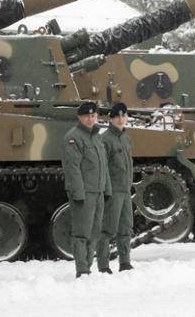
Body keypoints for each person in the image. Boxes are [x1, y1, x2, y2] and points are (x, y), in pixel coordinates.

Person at [62, 101, 111, 278]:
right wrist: (78, 192)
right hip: (84, 192)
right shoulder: (73, 137)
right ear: (79, 117)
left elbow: (104, 165)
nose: (90, 119)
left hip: (98, 191)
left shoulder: (96, 137)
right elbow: (72, 168)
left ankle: (88, 267)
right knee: (82, 233)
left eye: (93, 116)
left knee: (94, 232)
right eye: (86, 116)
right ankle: (82, 269)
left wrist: (107, 189)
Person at [97, 103, 134, 274]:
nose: (120, 119)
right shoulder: (105, 139)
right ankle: (103, 265)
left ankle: (125, 262)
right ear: (111, 119)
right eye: (117, 116)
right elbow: (102, 167)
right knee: (107, 229)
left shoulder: (125, 138)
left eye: (123, 115)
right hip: (113, 191)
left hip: (125, 189)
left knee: (126, 228)